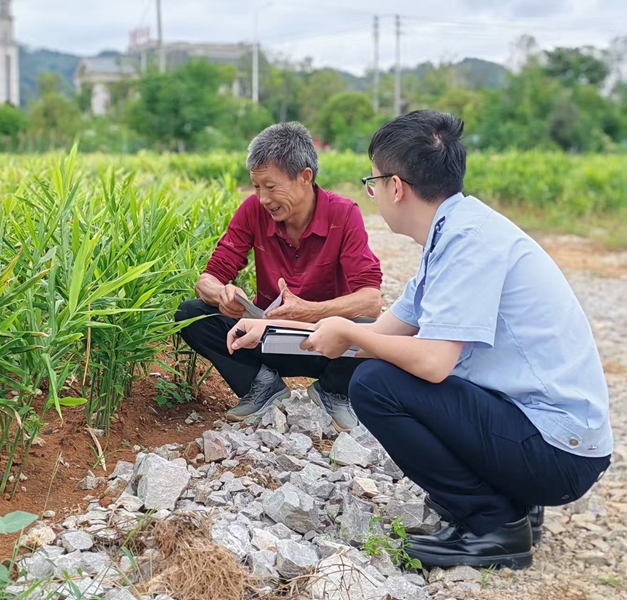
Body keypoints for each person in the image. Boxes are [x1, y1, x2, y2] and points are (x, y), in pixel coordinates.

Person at [228, 111, 612, 570]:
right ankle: (513, 505)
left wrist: (349, 332)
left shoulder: (469, 243)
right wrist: (270, 328)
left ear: (396, 186)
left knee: (374, 383)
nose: (371, 194)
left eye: (371, 182)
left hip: (558, 454)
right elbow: (382, 330)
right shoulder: (453, 235)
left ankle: (493, 525)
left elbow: (431, 363)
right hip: (544, 440)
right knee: (382, 366)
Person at [175, 122, 382, 431]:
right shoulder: (252, 211)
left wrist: (309, 311)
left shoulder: (343, 214)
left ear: (305, 177)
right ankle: (262, 385)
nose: (262, 198)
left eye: (270, 187)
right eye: (256, 187)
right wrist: (222, 295)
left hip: (323, 343)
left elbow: (371, 301)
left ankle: (333, 391)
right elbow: (208, 278)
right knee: (189, 313)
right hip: (266, 340)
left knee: (377, 330)